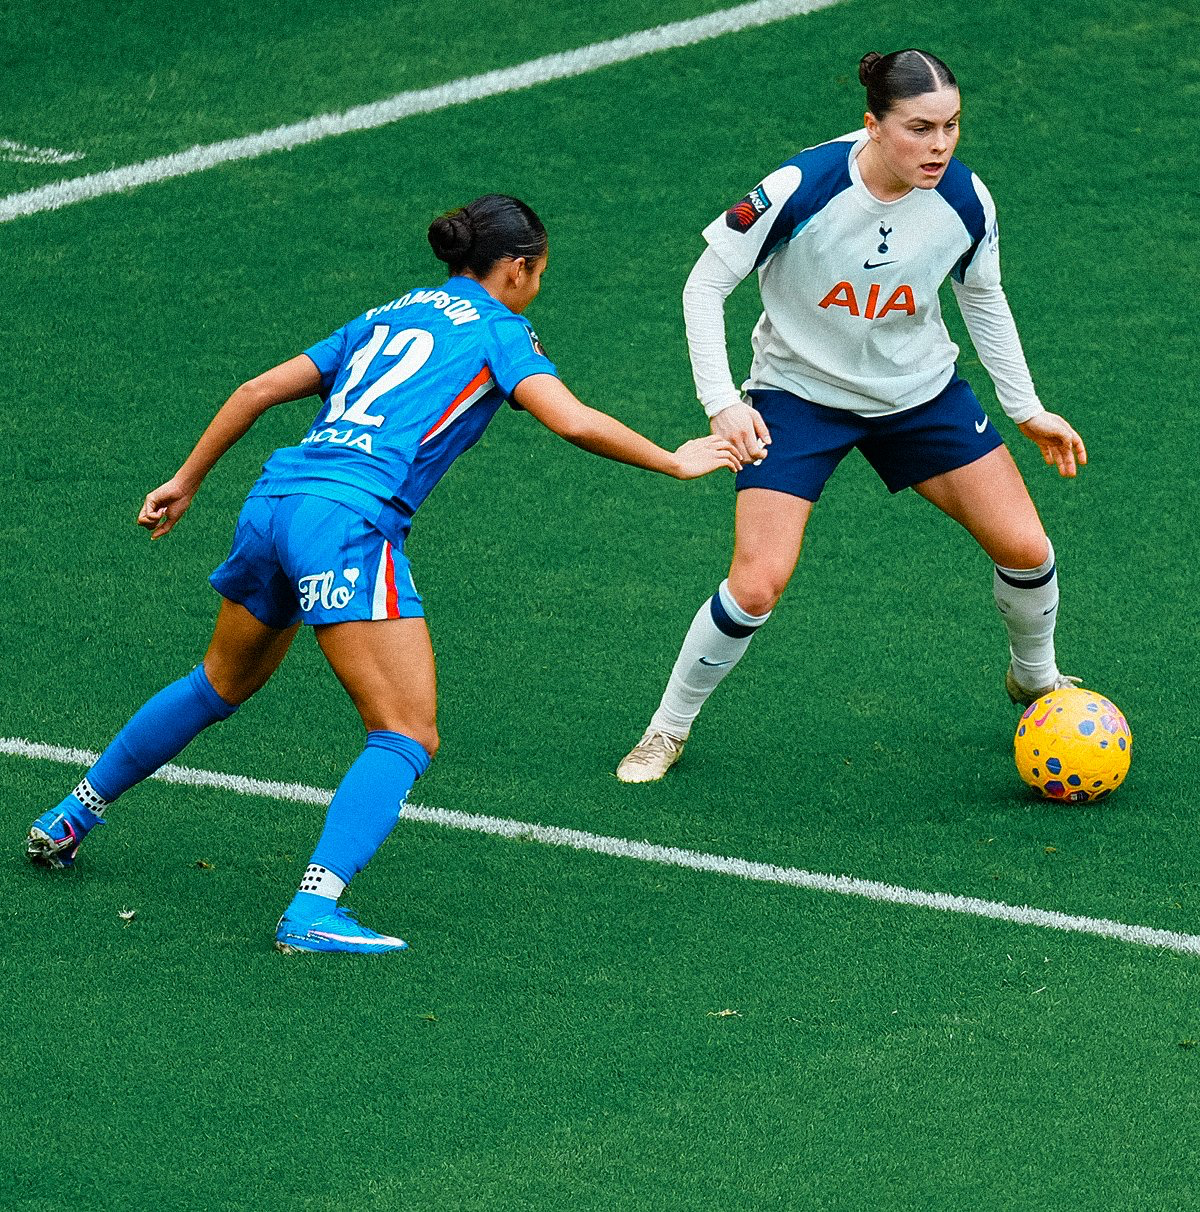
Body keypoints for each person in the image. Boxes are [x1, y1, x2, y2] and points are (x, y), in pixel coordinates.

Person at [27, 194, 737, 951]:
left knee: (217, 682)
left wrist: (186, 479)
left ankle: (70, 815)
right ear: (518, 268)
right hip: (346, 523)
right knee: (404, 733)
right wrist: (672, 458)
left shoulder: (389, 314)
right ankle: (313, 911)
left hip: (275, 500)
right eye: (540, 272)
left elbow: (257, 391)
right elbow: (568, 417)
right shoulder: (501, 330)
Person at [615, 50, 1087, 784]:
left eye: (952, 127)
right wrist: (723, 404)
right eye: (920, 128)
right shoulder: (802, 187)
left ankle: (1035, 679)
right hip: (798, 396)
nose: (940, 146)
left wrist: (1026, 409)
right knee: (757, 583)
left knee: (1027, 550)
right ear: (873, 126)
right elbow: (704, 286)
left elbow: (983, 297)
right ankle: (666, 730)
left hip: (918, 396)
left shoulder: (964, 198)